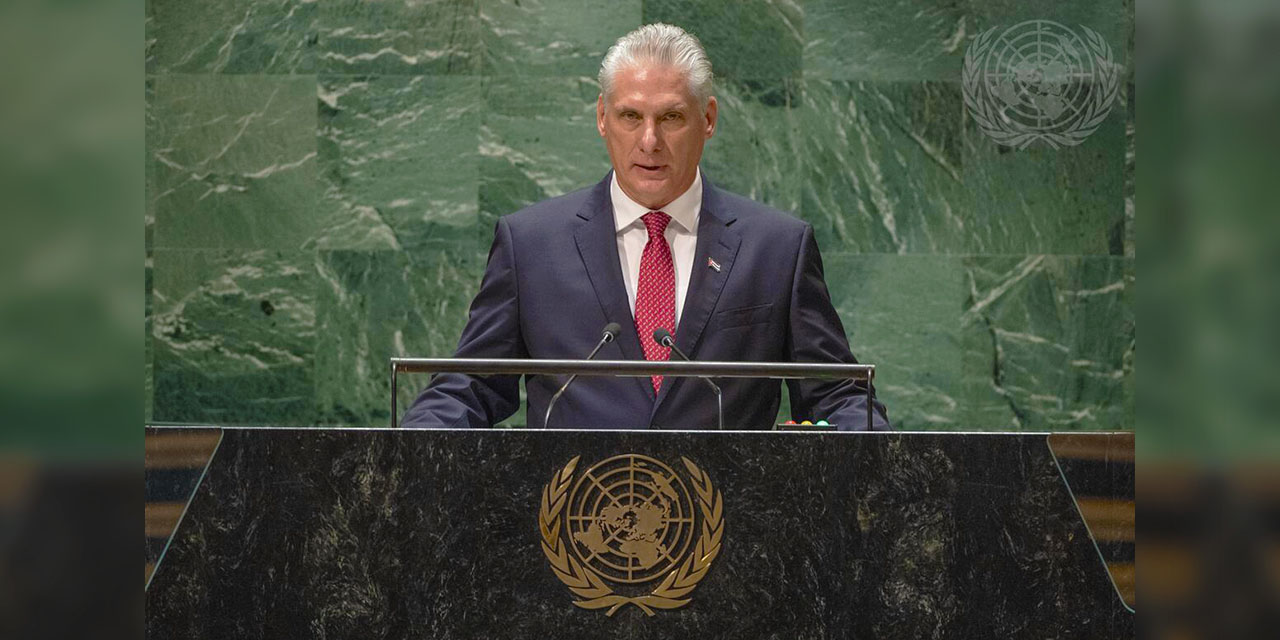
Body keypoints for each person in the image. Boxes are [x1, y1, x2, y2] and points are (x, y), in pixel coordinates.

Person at [402, 23, 890, 430]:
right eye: (630, 116)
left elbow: (839, 395)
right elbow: (470, 384)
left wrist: (858, 443)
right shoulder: (530, 243)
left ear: (709, 119)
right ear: (601, 118)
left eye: (672, 117)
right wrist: (401, 452)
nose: (649, 140)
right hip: (572, 528)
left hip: (729, 531)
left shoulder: (778, 247)